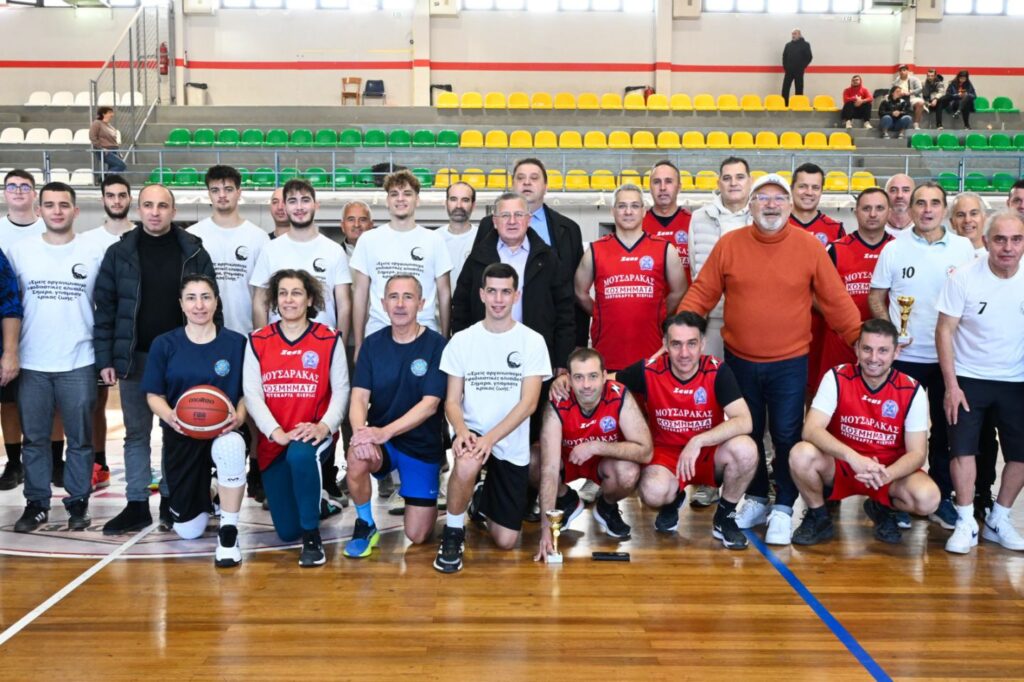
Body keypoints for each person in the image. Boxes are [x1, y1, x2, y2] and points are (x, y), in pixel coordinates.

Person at [677, 173, 862, 546]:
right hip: (740, 360)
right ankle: (759, 497)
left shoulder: (809, 247)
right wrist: (678, 332)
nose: (771, 205)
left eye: (779, 198)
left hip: (789, 363)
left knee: (786, 435)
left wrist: (861, 341)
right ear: (751, 206)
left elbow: (836, 301)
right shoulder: (730, 244)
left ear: (790, 206)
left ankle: (784, 506)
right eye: (763, 198)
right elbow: (702, 293)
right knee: (747, 433)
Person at [93, 183, 219, 534]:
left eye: (162, 205)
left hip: (181, 360)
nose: (154, 212)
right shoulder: (119, 253)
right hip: (135, 359)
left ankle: (169, 500)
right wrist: (106, 358)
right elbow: (105, 309)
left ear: (173, 211)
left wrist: (209, 354)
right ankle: (136, 505)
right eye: (148, 205)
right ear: (138, 209)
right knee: (136, 434)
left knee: (175, 431)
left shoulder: (194, 250)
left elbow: (212, 304)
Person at [868, 181, 976, 530]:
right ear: (909, 208)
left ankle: (940, 497)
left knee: (945, 432)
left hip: (950, 360)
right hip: (905, 358)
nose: (927, 210)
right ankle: (887, 499)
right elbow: (876, 297)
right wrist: (891, 334)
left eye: (934, 203)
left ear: (945, 209)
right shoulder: (893, 248)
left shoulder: (964, 248)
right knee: (893, 433)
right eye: (920, 203)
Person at [434, 263, 551, 573]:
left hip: (510, 440)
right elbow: (452, 401)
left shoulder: (532, 341)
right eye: (492, 291)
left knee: (506, 540)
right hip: (473, 431)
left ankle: (480, 498)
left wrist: (491, 439)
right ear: (482, 294)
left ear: (516, 295)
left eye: (506, 292)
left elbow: (529, 404)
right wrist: (461, 430)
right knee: (467, 461)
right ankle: (453, 532)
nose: (499, 299)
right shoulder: (462, 340)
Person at [249, 179, 352, 513]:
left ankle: (327, 480)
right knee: (278, 412)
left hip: (321, 351)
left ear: (315, 205)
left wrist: (339, 343)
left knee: (324, 414)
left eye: (305, 200)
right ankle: (276, 480)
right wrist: (264, 342)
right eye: (291, 201)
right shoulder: (271, 249)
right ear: (284, 206)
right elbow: (260, 300)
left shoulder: (332, 250)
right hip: (279, 349)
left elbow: (344, 302)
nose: (298, 206)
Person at [790, 319, 939, 545]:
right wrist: (854, 458)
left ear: (896, 352)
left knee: (928, 499)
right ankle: (818, 517)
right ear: (857, 349)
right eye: (867, 349)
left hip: (886, 472)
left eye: (883, 351)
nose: (873, 358)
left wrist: (886, 475)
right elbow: (810, 429)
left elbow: (918, 453)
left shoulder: (911, 389)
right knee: (801, 454)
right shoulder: (837, 377)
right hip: (843, 466)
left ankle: (882, 507)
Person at [8, 182, 102, 533]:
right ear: (39, 211)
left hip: (79, 358)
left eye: (64, 205)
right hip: (33, 361)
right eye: (49, 205)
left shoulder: (94, 252)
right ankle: (36, 504)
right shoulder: (20, 251)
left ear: (76, 211)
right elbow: (9, 306)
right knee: (34, 439)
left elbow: (106, 306)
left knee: (80, 439)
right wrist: (9, 352)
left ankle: (78, 502)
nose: (57, 211)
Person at [245, 269, 350, 567]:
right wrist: (275, 431)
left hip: (313, 434)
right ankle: (321, 503)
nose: (289, 300)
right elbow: (251, 395)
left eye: (296, 293)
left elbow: (342, 390)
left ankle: (312, 539)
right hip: (275, 439)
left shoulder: (328, 338)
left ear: (310, 299)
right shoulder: (258, 340)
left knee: (301, 456)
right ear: (275, 300)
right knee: (287, 531)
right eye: (283, 293)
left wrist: (324, 426)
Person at [141, 275, 248, 566]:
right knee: (189, 531)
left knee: (231, 446)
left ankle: (229, 531)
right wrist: (171, 416)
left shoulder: (236, 343)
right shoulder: (165, 344)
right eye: (191, 298)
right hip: (182, 434)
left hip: (223, 431)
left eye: (206, 297)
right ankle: (211, 488)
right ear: (181, 304)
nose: (199, 305)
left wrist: (239, 416)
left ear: (216, 302)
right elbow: (153, 395)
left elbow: (246, 393)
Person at [936, 211, 1024, 554]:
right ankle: (965, 521)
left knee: (1020, 454)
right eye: (1000, 239)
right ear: (986, 242)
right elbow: (945, 330)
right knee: (962, 450)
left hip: (1016, 380)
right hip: (969, 378)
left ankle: (998, 519)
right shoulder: (963, 277)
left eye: (1016, 240)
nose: (1008, 247)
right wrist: (951, 385)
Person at [344, 275, 447, 558]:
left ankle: (423, 492)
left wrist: (383, 432)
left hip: (421, 445)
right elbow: (359, 398)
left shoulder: (437, 345)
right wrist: (361, 434)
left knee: (418, 535)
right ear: (383, 303)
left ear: (421, 304)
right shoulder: (372, 345)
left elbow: (430, 405)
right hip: (383, 444)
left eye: (408, 297)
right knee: (356, 455)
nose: (400, 304)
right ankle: (365, 524)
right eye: (393, 297)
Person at [534, 348, 652, 557]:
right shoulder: (558, 401)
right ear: (569, 379)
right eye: (579, 377)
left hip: (605, 463)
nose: (586, 385)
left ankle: (607, 507)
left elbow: (646, 451)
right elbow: (550, 469)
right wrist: (545, 531)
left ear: (605, 376)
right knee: (532, 461)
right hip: (568, 460)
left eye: (593, 376)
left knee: (629, 471)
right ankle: (566, 500)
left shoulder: (620, 395)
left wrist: (596, 446)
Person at [454, 192, 574, 375]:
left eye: (518, 215)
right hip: (484, 355)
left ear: (529, 220)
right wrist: (462, 352)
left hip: (535, 357)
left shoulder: (548, 259)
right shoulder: (477, 258)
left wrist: (562, 360)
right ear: (495, 221)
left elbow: (565, 310)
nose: (512, 221)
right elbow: (461, 307)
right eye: (505, 215)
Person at [474, 158, 588, 349]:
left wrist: (576, 344)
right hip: (491, 338)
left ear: (546, 186)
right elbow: (474, 282)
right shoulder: (488, 226)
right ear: (512, 185)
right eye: (520, 178)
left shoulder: (568, 229)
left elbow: (572, 293)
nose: (527, 183)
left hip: (545, 340)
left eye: (534, 178)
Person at [574, 183, 686, 372]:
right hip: (608, 353)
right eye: (622, 206)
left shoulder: (664, 249)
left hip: (651, 352)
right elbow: (579, 292)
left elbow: (679, 290)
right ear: (612, 211)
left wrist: (659, 313)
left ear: (644, 211)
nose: (628, 211)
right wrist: (600, 314)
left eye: (634, 206)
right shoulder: (595, 249)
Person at [350, 170, 451, 359]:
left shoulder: (434, 240)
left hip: (424, 331)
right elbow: (360, 293)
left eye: (407, 193)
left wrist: (445, 339)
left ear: (417, 200)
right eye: (394, 194)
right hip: (379, 330)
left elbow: (444, 293)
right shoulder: (368, 240)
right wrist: (358, 344)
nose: (400, 199)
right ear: (387, 200)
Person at [947, 192, 999, 518]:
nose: (968, 220)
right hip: (954, 363)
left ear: (984, 219)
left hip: (991, 366)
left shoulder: (1001, 259)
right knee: (953, 433)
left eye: (974, 213)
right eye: (961, 215)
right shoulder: (950, 257)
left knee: (987, 435)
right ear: (952, 222)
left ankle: (983, 493)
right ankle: (947, 493)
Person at [817, 188, 893, 385]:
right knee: (833, 396)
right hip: (841, 343)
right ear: (855, 211)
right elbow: (815, 294)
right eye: (866, 208)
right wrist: (839, 321)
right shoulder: (835, 249)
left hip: (883, 346)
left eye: (879, 208)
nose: (873, 214)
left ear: (889, 212)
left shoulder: (899, 249)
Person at [0, 169, 44, 490]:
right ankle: (14, 462)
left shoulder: (48, 227)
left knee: (47, 401)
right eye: (12, 186)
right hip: (6, 328)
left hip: (42, 325)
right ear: (4, 193)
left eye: (24, 186)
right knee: (9, 400)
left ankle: (50, 458)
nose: (17, 191)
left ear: (34, 193)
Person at [188, 165, 269, 336]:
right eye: (215, 190)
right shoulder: (192, 236)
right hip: (200, 335)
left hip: (245, 333)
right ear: (209, 194)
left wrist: (260, 338)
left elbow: (263, 297)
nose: (222, 195)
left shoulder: (259, 238)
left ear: (239, 192)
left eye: (228, 189)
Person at [688, 157, 753, 358]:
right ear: (719, 183)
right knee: (711, 374)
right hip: (712, 320)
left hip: (749, 319)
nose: (733, 183)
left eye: (739, 177)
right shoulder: (699, 217)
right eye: (727, 178)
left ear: (750, 181)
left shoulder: (760, 218)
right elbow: (694, 267)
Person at [643, 161, 692, 283]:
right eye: (656, 182)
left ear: (679, 187)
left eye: (668, 181)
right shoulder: (638, 224)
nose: (662, 188)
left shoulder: (694, 223)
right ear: (650, 188)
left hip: (688, 296)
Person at [440, 182, 478, 296]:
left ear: (473, 205)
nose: (459, 206)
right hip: (437, 307)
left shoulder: (482, 239)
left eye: (465, 200)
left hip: (471, 306)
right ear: (446, 203)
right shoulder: (433, 238)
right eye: (453, 199)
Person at [88, 106, 127, 175]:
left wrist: (118, 151)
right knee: (121, 165)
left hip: (114, 150)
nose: (112, 114)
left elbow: (113, 140)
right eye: (110, 112)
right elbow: (92, 137)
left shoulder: (110, 126)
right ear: (103, 114)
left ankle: (106, 179)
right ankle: (105, 178)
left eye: (112, 112)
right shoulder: (97, 123)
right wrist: (101, 148)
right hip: (105, 150)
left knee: (113, 168)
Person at [781, 28, 812, 104]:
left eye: (795, 34)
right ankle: (785, 105)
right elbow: (784, 57)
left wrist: (802, 66)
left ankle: (798, 105)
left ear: (799, 35)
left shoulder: (805, 45)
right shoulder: (788, 45)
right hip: (789, 71)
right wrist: (786, 67)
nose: (793, 35)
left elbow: (809, 57)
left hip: (799, 71)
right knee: (785, 89)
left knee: (799, 89)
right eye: (792, 34)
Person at [892, 65, 926, 129]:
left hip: (912, 97)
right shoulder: (896, 81)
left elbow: (920, 89)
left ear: (908, 71)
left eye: (904, 70)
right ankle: (895, 124)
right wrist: (899, 94)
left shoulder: (914, 79)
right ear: (899, 72)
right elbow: (892, 91)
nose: (902, 72)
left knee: (920, 103)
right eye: (900, 71)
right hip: (900, 98)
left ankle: (916, 124)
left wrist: (910, 92)